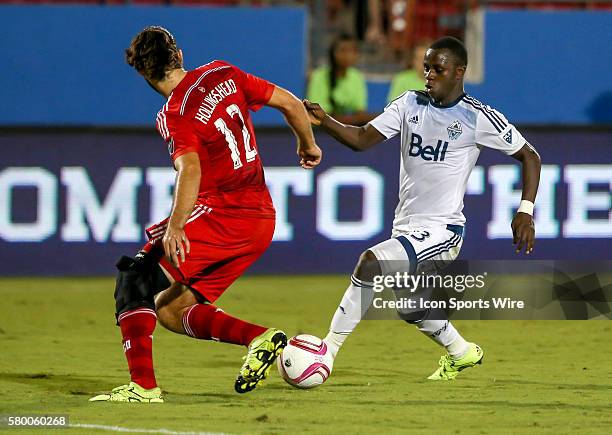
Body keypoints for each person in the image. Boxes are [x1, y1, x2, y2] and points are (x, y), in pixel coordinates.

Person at [90, 26, 321, 402]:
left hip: (223, 216)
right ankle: (259, 339)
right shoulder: (222, 73)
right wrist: (307, 145)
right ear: (178, 55)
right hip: (261, 218)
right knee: (171, 308)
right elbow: (292, 104)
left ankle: (143, 388)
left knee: (135, 280)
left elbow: (190, 168)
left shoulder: (174, 114)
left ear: (144, 74)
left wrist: (176, 225)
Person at [304, 36, 541, 380]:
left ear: (459, 72)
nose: (428, 75)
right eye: (427, 67)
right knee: (410, 306)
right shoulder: (408, 104)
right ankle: (462, 352)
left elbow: (529, 156)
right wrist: (324, 120)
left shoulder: (478, 117)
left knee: (370, 263)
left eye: (437, 69)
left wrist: (525, 210)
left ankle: (327, 352)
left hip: (443, 229)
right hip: (406, 224)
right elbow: (361, 139)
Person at [306, 34, 373, 126]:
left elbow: (360, 112)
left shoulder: (356, 77)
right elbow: (317, 114)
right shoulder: (319, 76)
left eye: (353, 51)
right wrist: (352, 119)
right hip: (321, 133)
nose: (348, 55)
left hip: (347, 131)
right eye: (343, 50)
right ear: (333, 53)